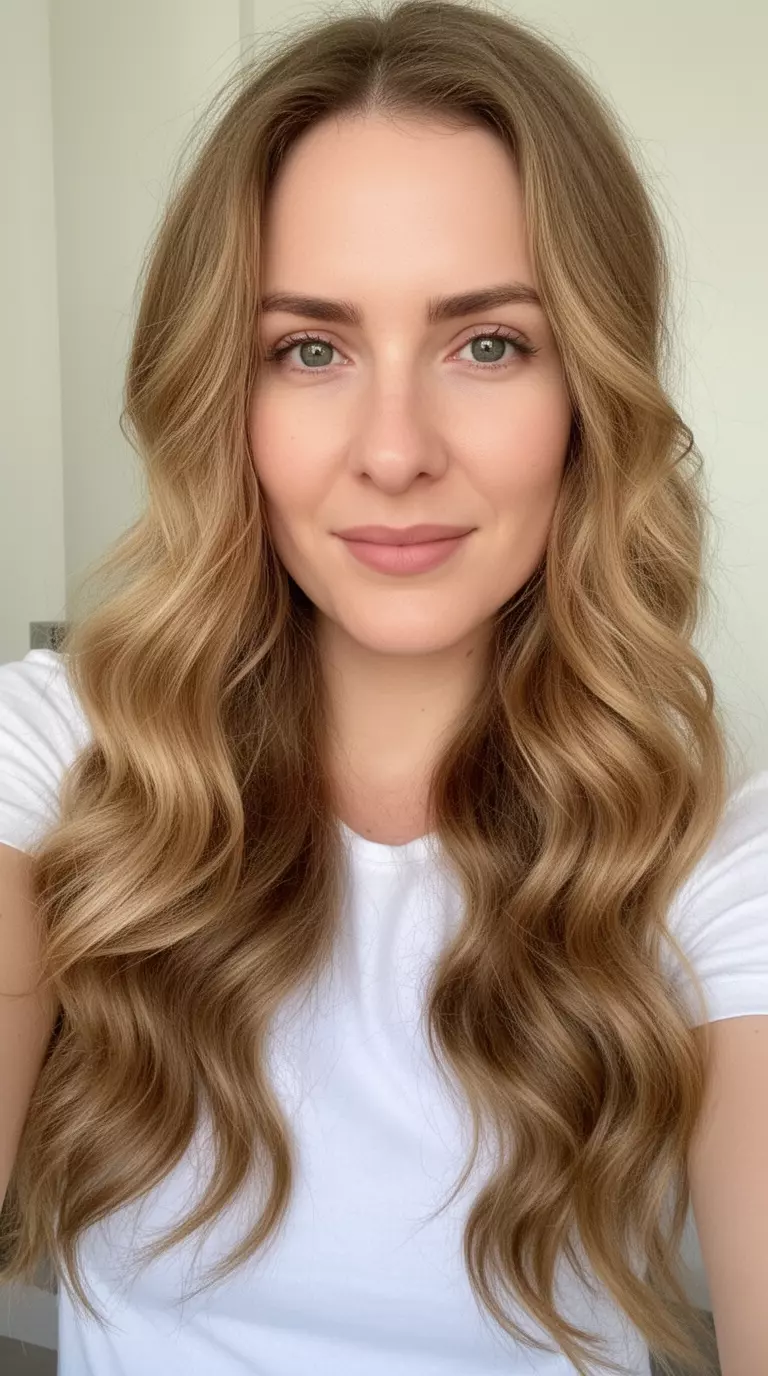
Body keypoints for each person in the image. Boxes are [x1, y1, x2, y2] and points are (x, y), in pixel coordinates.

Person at [1, 3, 766, 1374]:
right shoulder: (58, 759)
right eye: (310, 349)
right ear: (220, 400)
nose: (396, 451)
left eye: (488, 345)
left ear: (590, 391)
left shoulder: (710, 862)